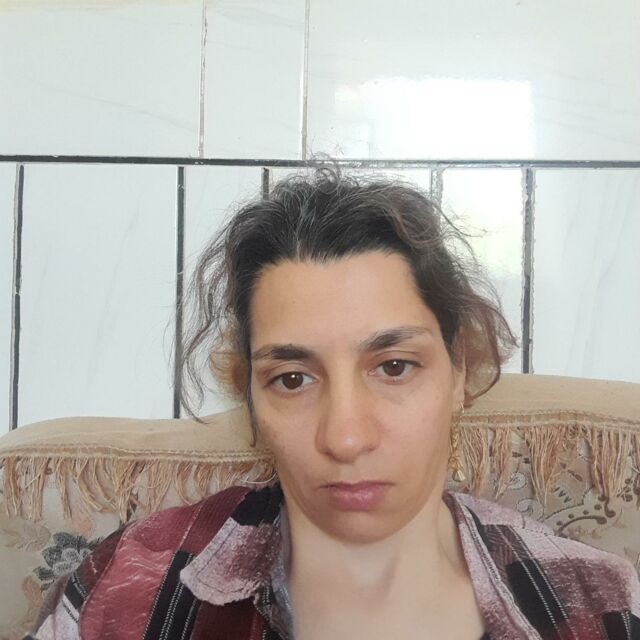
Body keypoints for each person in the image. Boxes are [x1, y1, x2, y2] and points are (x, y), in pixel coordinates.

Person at [27, 168, 640, 640]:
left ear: (458, 371)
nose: (345, 438)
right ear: (250, 393)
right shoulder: (129, 585)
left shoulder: (597, 600)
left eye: (394, 367)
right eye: (293, 378)